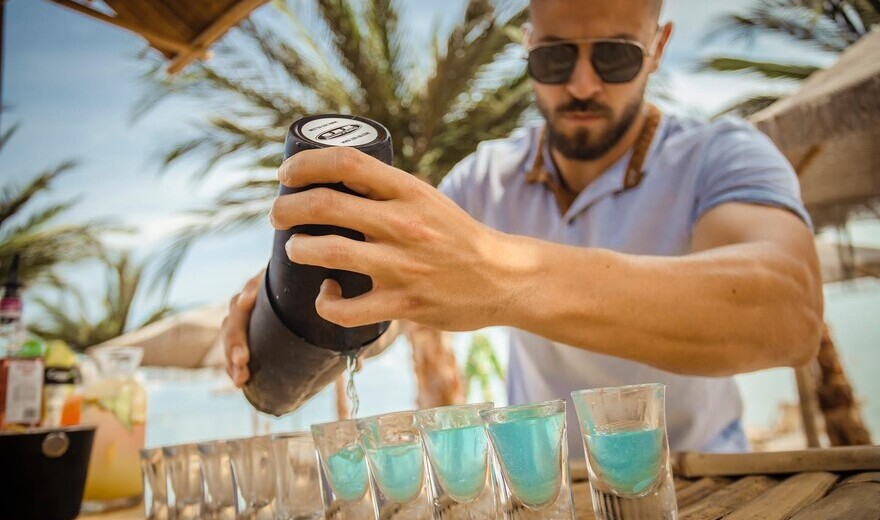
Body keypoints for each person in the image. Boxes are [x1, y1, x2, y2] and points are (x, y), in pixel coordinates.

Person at [223, 0, 823, 456]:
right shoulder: (487, 178)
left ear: (658, 46)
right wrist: (302, 304)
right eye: (555, 57)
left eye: (615, 55)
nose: (582, 85)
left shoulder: (719, 154)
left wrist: (504, 277)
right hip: (547, 486)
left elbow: (788, 309)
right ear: (529, 47)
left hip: (701, 475)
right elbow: (396, 303)